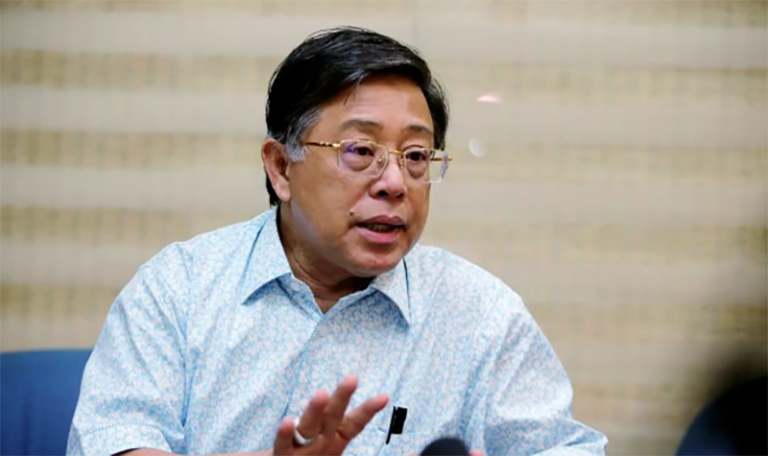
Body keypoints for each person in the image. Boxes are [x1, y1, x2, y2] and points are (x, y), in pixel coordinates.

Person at [66, 26, 608, 456]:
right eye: (360, 151)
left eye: (416, 156)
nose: (394, 182)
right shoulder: (180, 287)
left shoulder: (481, 315)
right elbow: (115, 441)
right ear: (281, 167)